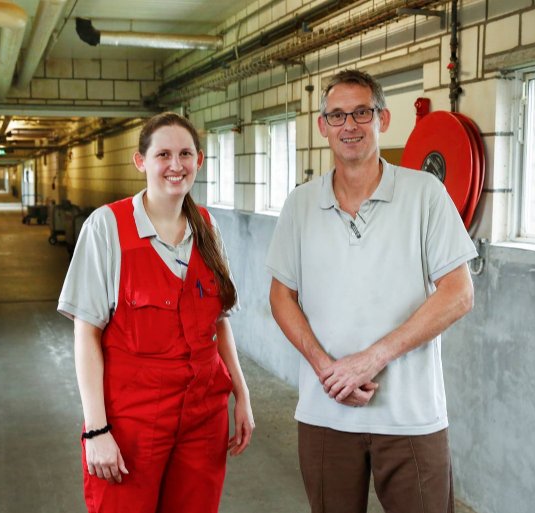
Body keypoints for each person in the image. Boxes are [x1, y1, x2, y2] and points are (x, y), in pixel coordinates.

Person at [266, 69, 477, 513]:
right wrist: (328, 369)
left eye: (361, 112)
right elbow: (280, 296)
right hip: (326, 412)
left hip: (410, 416)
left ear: (382, 119)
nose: (349, 125)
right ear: (322, 126)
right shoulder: (301, 204)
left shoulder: (425, 194)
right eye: (337, 115)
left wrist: (373, 357)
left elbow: (458, 293)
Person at [58, 112, 254, 513]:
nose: (175, 165)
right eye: (163, 154)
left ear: (199, 161)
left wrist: (242, 392)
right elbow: (86, 333)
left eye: (185, 154)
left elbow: (219, 324)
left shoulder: (207, 228)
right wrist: (96, 428)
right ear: (140, 161)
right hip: (132, 420)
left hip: (203, 418)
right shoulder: (107, 228)